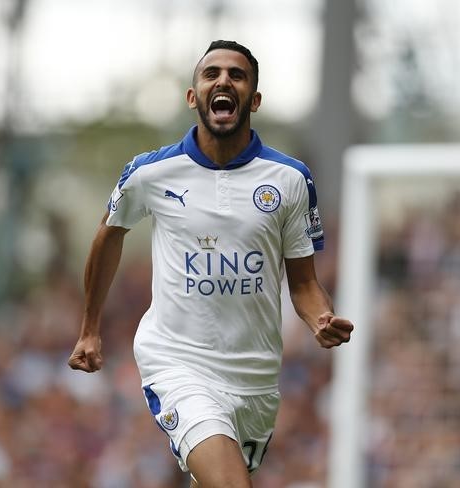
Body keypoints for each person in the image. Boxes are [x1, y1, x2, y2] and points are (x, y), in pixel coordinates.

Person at [68, 40, 353, 487]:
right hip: (178, 364)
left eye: (237, 76)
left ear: (253, 99)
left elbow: (302, 283)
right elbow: (109, 235)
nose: (223, 81)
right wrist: (89, 327)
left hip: (256, 379)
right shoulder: (151, 173)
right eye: (211, 74)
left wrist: (320, 317)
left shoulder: (290, 180)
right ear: (193, 96)